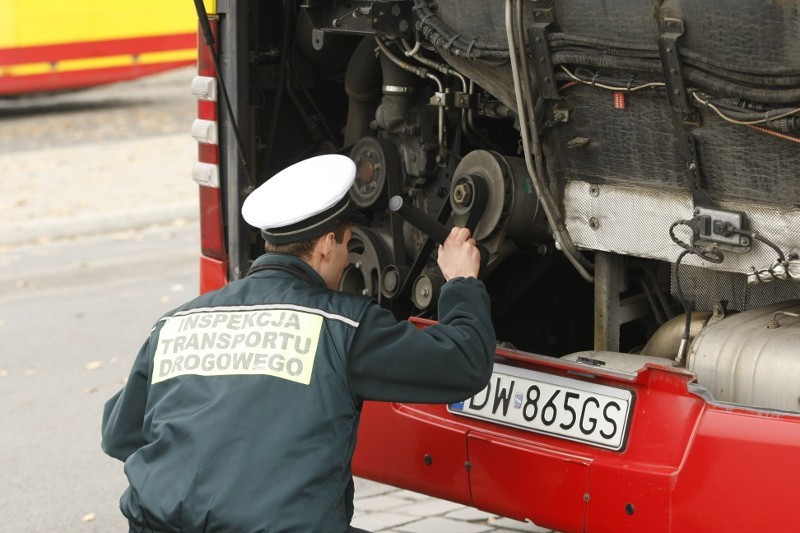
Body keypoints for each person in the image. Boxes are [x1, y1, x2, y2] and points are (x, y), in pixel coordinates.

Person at [101, 154, 496, 532]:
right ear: (326, 245)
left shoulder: (177, 322)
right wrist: (461, 280)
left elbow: (119, 434)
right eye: (347, 243)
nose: (347, 257)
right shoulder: (341, 325)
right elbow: (464, 361)